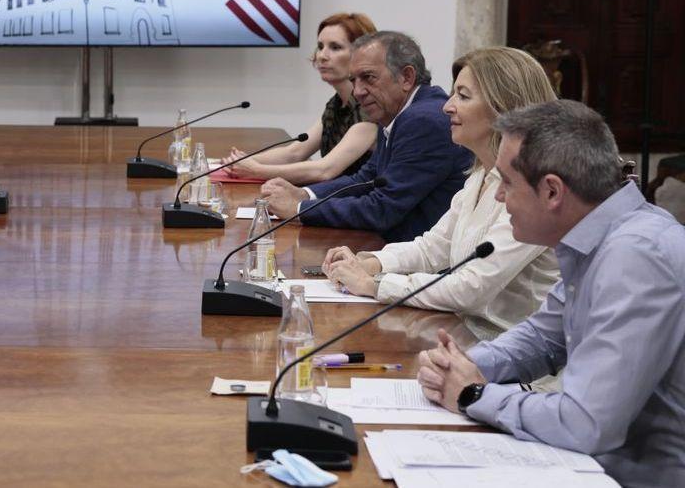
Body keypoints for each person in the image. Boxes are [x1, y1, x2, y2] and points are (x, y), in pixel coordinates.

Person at [416, 100, 685, 487]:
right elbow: (543, 337)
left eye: (507, 183)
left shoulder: (636, 255)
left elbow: (585, 423)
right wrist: (462, 364)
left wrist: (473, 394)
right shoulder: (597, 238)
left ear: (552, 191)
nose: (499, 198)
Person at [322, 47, 560, 340]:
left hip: (514, 365)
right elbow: (434, 247)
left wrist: (376, 284)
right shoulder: (479, 176)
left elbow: (471, 288)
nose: (447, 106)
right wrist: (372, 262)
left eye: (463, 95)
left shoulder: (533, 190)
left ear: (505, 108)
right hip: (462, 337)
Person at [261, 31, 472, 243]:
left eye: (368, 78)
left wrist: (298, 209)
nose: (358, 91)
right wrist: (304, 195)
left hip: (421, 262)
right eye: (354, 80)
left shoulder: (423, 120)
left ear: (406, 78)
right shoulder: (394, 111)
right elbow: (365, 179)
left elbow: (383, 208)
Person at [223, 12, 378, 182]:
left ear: (361, 54)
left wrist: (256, 170)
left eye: (335, 47)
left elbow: (325, 170)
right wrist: (235, 162)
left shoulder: (370, 108)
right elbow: (294, 153)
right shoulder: (337, 103)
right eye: (320, 46)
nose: (322, 56)